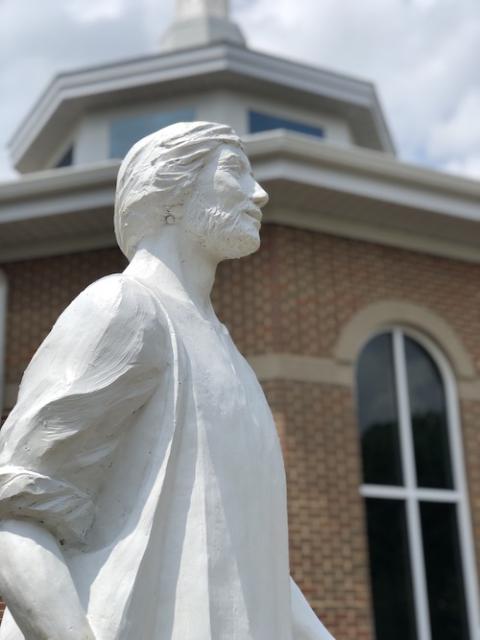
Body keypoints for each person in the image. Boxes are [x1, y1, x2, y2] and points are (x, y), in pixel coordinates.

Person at [0, 122, 334, 640]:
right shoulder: (125, 309)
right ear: (169, 189)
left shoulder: (228, 355)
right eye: (234, 172)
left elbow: (250, 557)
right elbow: (16, 512)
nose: (259, 192)